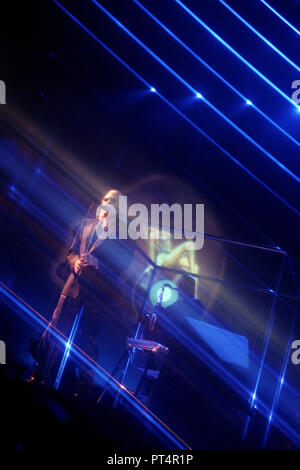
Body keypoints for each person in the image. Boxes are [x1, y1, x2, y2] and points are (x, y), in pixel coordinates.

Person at [30, 189, 136, 398]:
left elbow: (122, 267)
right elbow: (71, 252)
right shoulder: (87, 225)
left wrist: (99, 265)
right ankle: (39, 373)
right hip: (73, 286)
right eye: (105, 199)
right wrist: (75, 262)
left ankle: (83, 390)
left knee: (88, 341)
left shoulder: (125, 237)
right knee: (54, 330)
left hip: (97, 294)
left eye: (112, 201)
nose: (106, 203)